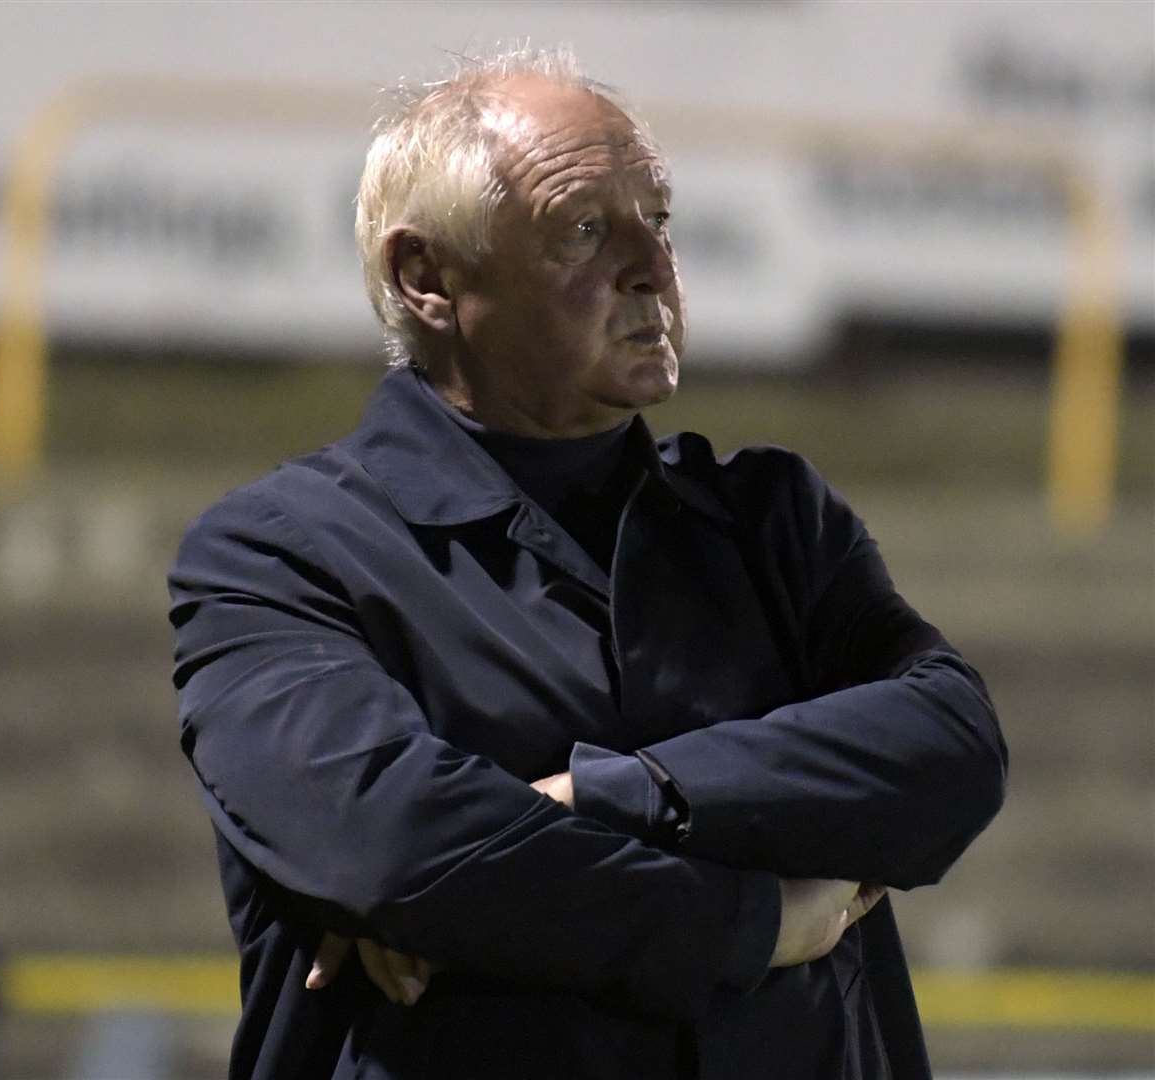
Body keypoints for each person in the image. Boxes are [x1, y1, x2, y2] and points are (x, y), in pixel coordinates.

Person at [168, 47, 1007, 1080]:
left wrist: (600, 798)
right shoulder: (278, 553)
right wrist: (756, 920)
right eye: (581, 230)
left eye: (654, 219)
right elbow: (394, 842)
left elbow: (950, 747)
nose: (651, 266)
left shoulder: (770, 518)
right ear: (425, 278)